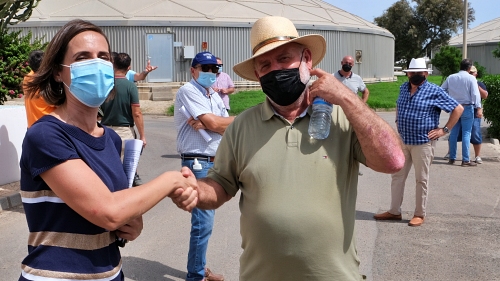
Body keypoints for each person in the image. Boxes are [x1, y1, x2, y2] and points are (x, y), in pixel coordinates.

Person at [173, 16, 404, 280]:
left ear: (307, 59)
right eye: (265, 65)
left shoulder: (343, 118)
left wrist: (346, 98)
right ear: (258, 74)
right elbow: (222, 186)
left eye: (284, 59)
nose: (275, 71)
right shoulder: (242, 126)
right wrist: (194, 190)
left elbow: (393, 161)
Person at [20, 19, 198, 281]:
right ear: (59, 72)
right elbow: (107, 210)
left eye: (103, 57)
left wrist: (133, 223)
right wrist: (172, 180)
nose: (96, 64)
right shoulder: (46, 135)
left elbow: (118, 213)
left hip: (109, 272)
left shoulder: (111, 139)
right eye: (82, 57)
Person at [373, 58, 463, 227]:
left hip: (423, 143)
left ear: (426, 74)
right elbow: (399, 105)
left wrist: (444, 130)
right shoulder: (403, 88)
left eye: (418, 73)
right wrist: (398, 121)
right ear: (408, 74)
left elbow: (458, 109)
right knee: (397, 176)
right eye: (412, 73)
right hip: (403, 141)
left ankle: (419, 214)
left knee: (421, 179)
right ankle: (394, 211)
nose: (414, 76)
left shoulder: (434, 91)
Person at [174, 51, 234, 281]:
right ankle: (196, 275)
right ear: (193, 70)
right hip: (197, 161)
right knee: (203, 222)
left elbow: (225, 124)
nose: (211, 73)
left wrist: (216, 124)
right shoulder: (188, 90)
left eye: (214, 69)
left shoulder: (212, 94)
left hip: (214, 160)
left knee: (205, 222)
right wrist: (214, 123)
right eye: (205, 68)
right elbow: (214, 122)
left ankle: (199, 268)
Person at [101, 52, 146, 186]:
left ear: (113, 65)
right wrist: (142, 135)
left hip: (106, 130)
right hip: (125, 131)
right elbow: (136, 113)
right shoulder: (130, 86)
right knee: (130, 170)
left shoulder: (105, 84)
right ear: (129, 68)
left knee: (108, 167)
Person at [441, 59, 482, 167]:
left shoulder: (451, 77)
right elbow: (475, 94)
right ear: (469, 68)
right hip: (467, 107)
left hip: (454, 107)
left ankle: (452, 157)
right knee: (466, 133)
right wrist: (478, 107)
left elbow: (442, 90)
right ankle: (465, 159)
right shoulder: (471, 78)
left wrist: (448, 101)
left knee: (454, 132)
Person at [22, 50, 55, 127]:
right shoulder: (44, 82)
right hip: (47, 127)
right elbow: (57, 103)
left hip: (32, 126)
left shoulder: (27, 78)